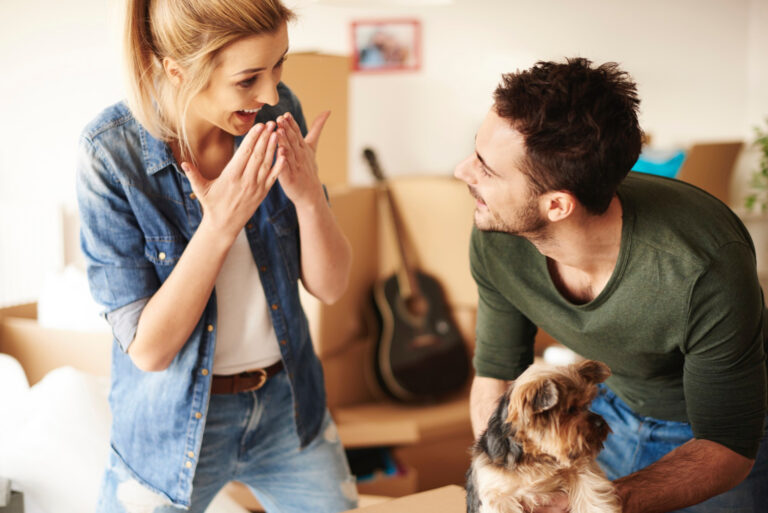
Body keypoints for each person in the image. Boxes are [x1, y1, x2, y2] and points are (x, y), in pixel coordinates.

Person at [75, 1, 357, 512]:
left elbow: (332, 287)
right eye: (248, 78)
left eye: (279, 66)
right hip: (171, 423)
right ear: (177, 71)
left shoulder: (271, 111)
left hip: (286, 405)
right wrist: (220, 225)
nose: (271, 93)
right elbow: (149, 351)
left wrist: (310, 197)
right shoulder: (110, 155)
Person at [454, 57, 768, 513]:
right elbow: (495, 375)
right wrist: (509, 480)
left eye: (486, 167)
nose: (464, 171)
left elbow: (729, 446)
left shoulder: (704, 266)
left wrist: (589, 504)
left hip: (713, 439)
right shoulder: (500, 234)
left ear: (557, 205)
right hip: (603, 411)